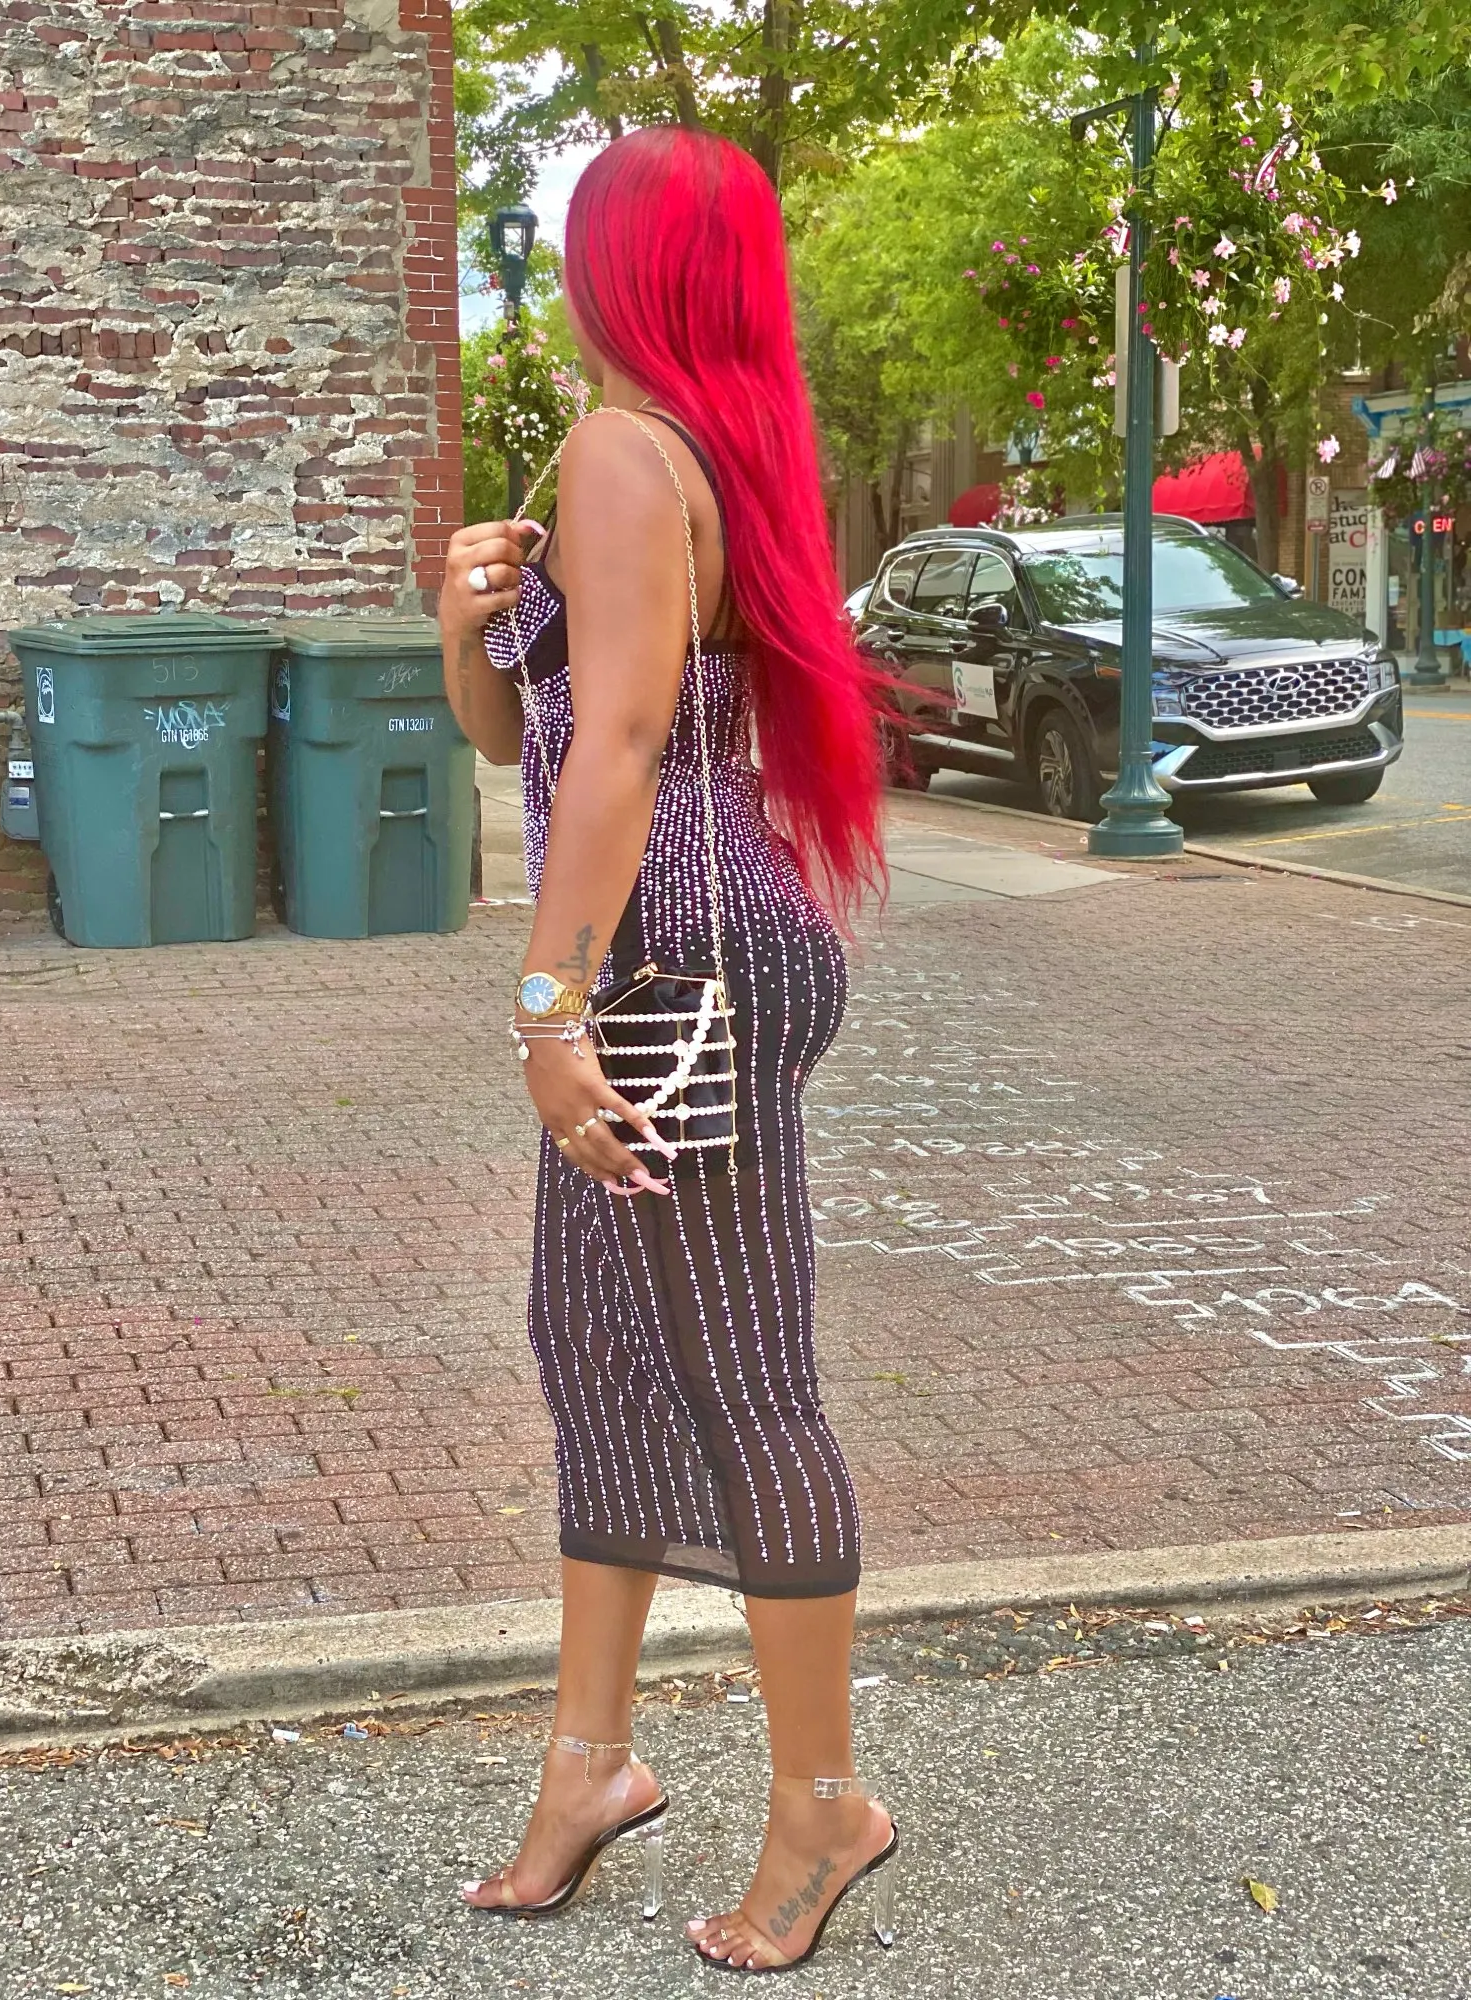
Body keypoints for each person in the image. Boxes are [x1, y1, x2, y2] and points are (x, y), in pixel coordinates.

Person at [439, 126, 894, 1973]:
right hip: (682, 954)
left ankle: (825, 1806)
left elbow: (622, 750)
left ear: (610, 267)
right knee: (597, 1347)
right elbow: (520, 734)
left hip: (674, 969)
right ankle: (591, 1766)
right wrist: (466, 622)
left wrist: (550, 1009)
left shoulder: (630, 454)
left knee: (736, 1375)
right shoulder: (702, 455)